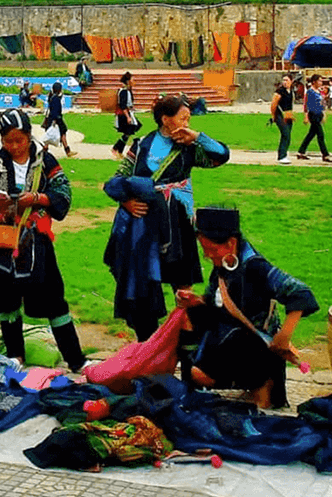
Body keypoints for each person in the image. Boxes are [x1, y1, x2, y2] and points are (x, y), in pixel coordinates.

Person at [105, 94, 230, 341]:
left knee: (183, 286)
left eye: (189, 119)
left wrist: (197, 137)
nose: (187, 123)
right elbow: (118, 177)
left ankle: (188, 344)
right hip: (145, 226)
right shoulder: (142, 145)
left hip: (178, 223)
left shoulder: (189, 147)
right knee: (143, 284)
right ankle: (148, 344)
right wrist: (126, 201)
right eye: (183, 118)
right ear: (165, 119)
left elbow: (221, 155)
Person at [0, 109, 86, 371]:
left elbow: (63, 193)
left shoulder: (45, 161)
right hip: (3, 241)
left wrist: (37, 198)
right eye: (7, 141)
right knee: (6, 299)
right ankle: (15, 356)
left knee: (54, 298)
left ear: (28, 136)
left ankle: (76, 360)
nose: (13, 146)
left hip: (36, 241)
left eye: (19, 140)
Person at [175, 207, 318, 409]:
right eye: (204, 249)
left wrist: (284, 336)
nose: (207, 255)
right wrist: (195, 301)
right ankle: (190, 391)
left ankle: (263, 383)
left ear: (231, 243)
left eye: (212, 249)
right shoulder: (225, 262)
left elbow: (301, 293)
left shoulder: (255, 267)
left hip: (253, 344)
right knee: (186, 317)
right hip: (228, 333)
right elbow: (217, 300)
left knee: (200, 374)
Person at [296, 74, 332, 163]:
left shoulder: (319, 92)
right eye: (319, 81)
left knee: (311, 134)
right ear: (314, 82)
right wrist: (306, 116)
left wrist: (324, 113)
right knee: (320, 135)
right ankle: (325, 154)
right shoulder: (310, 92)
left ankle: (301, 151)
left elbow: (322, 103)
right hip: (313, 114)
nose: (321, 83)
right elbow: (306, 104)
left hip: (319, 114)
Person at [110, 71, 141, 160]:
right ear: (128, 81)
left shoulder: (128, 90)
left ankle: (118, 149)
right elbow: (123, 105)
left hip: (127, 113)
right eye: (132, 80)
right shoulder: (123, 91)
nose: (134, 82)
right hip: (123, 115)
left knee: (130, 131)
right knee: (128, 132)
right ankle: (117, 149)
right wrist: (128, 117)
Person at [41, 81, 76, 157]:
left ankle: (44, 151)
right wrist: (56, 120)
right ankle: (67, 151)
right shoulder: (56, 98)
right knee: (61, 133)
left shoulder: (52, 97)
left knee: (49, 135)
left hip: (51, 118)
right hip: (56, 119)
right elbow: (55, 110)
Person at [270, 74, 295, 164]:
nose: (285, 82)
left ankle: (284, 153)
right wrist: (274, 116)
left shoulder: (291, 91)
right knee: (285, 133)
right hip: (280, 115)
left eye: (287, 80)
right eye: (283, 80)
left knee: (288, 135)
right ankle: (282, 156)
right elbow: (274, 104)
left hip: (288, 115)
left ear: (291, 81)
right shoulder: (280, 91)